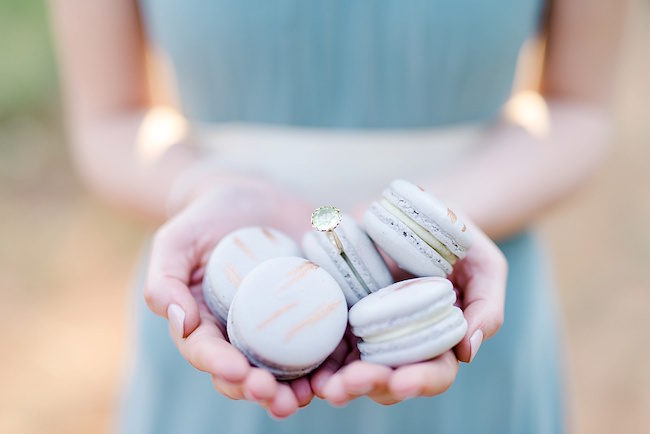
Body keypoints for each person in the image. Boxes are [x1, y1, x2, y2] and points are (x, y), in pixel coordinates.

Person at [51, 0, 625, 432]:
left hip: (451, 287)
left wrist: (438, 224)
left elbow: (579, 107)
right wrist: (207, 188)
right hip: (223, 309)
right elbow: (109, 122)